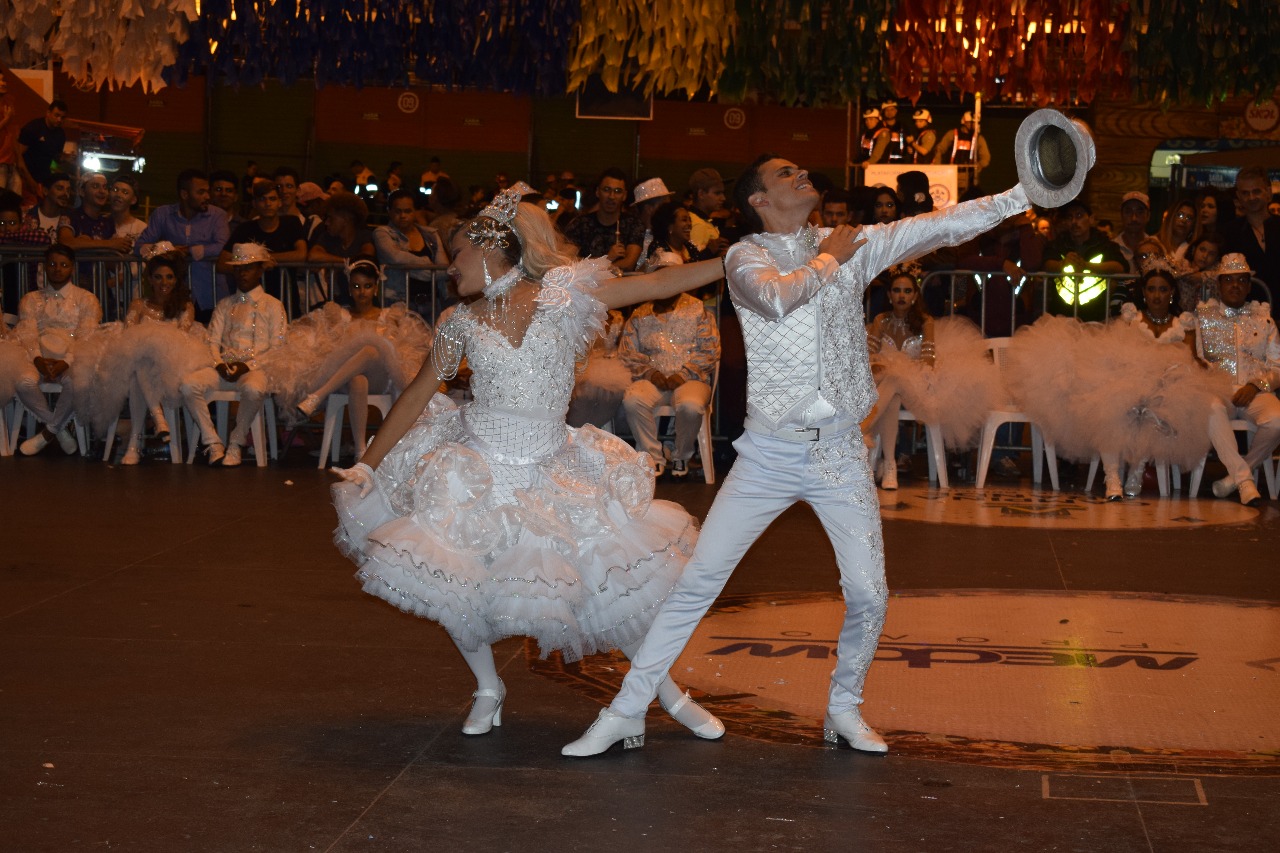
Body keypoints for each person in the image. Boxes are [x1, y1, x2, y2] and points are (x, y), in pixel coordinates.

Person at [563, 153, 1034, 757]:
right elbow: (778, 301)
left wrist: (1022, 194)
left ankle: (843, 708)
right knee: (698, 582)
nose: (801, 175)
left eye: (801, 169)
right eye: (784, 174)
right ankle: (626, 710)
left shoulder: (852, 242)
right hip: (768, 455)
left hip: (838, 450)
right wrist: (833, 257)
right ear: (757, 199)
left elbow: (942, 225)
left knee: (869, 592)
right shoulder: (745, 257)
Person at [330, 183, 729, 741]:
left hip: (552, 463)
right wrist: (368, 465)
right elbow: (420, 392)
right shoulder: (459, 323)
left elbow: (656, 282)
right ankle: (488, 688)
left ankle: (668, 693)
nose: (451, 267)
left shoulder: (563, 296)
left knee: (607, 587)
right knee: (456, 581)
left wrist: (732, 260)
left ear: (494, 248)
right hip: (476, 466)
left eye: (459, 253)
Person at [864, 265, 1001, 489]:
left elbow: (928, 361)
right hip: (890, 388)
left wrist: (900, 368)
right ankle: (890, 464)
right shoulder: (881, 320)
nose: (901, 296)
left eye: (907, 291)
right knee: (893, 389)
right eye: (897, 290)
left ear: (915, 295)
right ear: (889, 295)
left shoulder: (925, 321)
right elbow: (869, 356)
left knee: (896, 379)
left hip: (920, 385)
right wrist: (880, 365)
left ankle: (863, 430)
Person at [282, 259, 433, 460]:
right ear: (349, 288)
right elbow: (330, 349)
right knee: (358, 380)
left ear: (376, 287)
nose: (362, 292)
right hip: (345, 380)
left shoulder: (389, 315)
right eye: (356, 286)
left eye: (367, 286)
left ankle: (318, 395)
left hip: (382, 378)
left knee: (372, 348)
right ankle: (361, 450)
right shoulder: (340, 315)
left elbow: (398, 351)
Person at [180, 243, 287, 466]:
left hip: (257, 368)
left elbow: (277, 347)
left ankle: (237, 442)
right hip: (224, 367)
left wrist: (249, 365)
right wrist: (218, 363)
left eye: (248, 268)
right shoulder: (224, 304)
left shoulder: (273, 305)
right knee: (188, 385)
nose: (242, 273)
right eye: (238, 269)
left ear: (260, 270)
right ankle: (212, 442)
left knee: (254, 388)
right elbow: (212, 340)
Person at [99, 255, 205, 464]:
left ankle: (135, 443)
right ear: (149, 279)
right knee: (141, 365)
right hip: (141, 362)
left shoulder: (185, 305)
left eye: (169, 277)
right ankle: (156, 419)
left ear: (176, 280)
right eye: (158, 277)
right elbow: (130, 333)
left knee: (140, 369)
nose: (164, 283)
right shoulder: (139, 304)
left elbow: (181, 336)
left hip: (174, 363)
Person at [1199, 253, 1280, 506]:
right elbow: (1198, 360)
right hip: (1217, 390)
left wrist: (1256, 385)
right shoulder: (1203, 318)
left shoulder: (1264, 319)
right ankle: (1245, 481)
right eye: (1229, 280)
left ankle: (1233, 478)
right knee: (1211, 409)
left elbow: (1277, 365)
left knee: (1277, 420)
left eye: (1241, 280)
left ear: (1248, 286)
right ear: (1219, 284)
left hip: (1255, 391)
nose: (1235, 285)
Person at [619, 289, 720, 478]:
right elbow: (627, 353)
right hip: (652, 378)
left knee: (691, 406)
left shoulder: (699, 310)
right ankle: (652, 457)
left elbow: (710, 350)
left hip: (691, 378)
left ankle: (682, 455)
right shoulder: (639, 314)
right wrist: (650, 372)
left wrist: (683, 374)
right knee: (633, 400)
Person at [14, 243, 101, 455]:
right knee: (22, 381)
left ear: (72, 268)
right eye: (52, 264)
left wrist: (66, 361)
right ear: (45, 266)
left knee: (77, 380)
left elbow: (86, 335)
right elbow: (27, 332)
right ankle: (59, 429)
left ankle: (48, 432)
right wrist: (37, 359)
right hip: (38, 356)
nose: (57, 269)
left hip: (72, 356)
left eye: (63, 264)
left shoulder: (86, 298)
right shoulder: (30, 299)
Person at [135, 169, 230, 320]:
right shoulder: (162, 214)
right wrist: (168, 249)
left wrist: (189, 251)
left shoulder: (217, 215)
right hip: (173, 296)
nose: (207, 196)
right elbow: (140, 246)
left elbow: (223, 246)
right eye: (201, 192)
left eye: (207, 191)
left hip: (211, 295)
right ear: (185, 194)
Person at [220, 179, 308, 310]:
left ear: (279, 202)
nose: (268, 204)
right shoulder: (245, 229)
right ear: (254, 203)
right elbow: (222, 264)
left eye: (272, 199)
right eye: (262, 199)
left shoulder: (291, 223)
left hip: (287, 300)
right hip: (251, 302)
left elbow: (301, 254)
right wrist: (257, 264)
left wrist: (264, 258)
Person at [1041, 198, 1127, 322]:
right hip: (1061, 317)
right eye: (1070, 217)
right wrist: (1062, 264)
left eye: (1079, 216)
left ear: (1091, 219)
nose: (1074, 222)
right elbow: (1046, 264)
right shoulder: (1059, 243)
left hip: (1096, 317)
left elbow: (1120, 267)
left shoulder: (1103, 243)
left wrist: (1086, 266)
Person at [1223, 166, 1280, 319]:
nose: (1251, 197)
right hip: (1246, 318)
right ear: (1238, 197)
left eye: (1256, 191)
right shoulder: (1230, 232)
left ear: (1268, 193)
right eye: (1245, 193)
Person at [373, 188, 447, 305]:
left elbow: (443, 270)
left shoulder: (431, 234)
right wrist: (430, 266)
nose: (403, 216)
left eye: (408, 211)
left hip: (432, 302)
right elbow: (396, 258)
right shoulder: (382, 233)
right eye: (398, 211)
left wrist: (409, 267)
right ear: (389, 211)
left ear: (415, 212)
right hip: (397, 302)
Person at [563, 168, 644, 272]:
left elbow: (628, 264)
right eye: (606, 190)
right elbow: (569, 261)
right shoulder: (580, 224)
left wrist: (594, 265)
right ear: (597, 192)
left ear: (624, 196)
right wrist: (607, 258)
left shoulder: (634, 224)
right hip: (586, 286)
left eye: (618, 191)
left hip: (621, 285)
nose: (611, 196)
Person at [307, 191, 376, 306]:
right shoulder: (327, 237)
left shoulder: (364, 236)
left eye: (330, 218)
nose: (327, 222)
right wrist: (347, 262)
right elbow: (313, 256)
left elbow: (367, 258)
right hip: (337, 301)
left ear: (345, 218)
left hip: (361, 302)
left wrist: (334, 263)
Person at [16, 99, 68, 192]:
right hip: (25, 177)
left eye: (62, 117)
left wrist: (65, 159)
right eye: (57, 115)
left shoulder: (61, 134)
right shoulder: (33, 128)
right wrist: (30, 181)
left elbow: (56, 159)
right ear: (48, 113)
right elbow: (18, 157)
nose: (59, 120)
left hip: (44, 179)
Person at [631, 177, 674, 270]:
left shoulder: (668, 233)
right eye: (664, 206)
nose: (669, 210)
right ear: (649, 209)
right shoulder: (635, 236)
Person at [687, 168, 729, 258]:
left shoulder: (702, 220)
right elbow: (693, 266)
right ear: (701, 194)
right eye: (717, 193)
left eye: (723, 193)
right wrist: (710, 251)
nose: (723, 198)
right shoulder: (697, 224)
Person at [934, 112, 991, 177]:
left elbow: (986, 157)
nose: (973, 125)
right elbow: (939, 149)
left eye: (975, 123)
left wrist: (978, 167)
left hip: (969, 175)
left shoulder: (978, 138)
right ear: (964, 122)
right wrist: (937, 166)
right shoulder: (953, 134)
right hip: (951, 172)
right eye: (971, 122)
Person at [21, 172, 71, 241]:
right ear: (45, 191)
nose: (66, 194)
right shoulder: (25, 213)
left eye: (68, 190)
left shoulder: (71, 219)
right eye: (60, 188)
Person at [1113, 191, 1153, 273]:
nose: (1134, 218)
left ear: (1148, 216)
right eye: (1128, 212)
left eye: (1140, 212)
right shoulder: (1112, 248)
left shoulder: (1155, 248)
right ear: (1121, 215)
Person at [0, 76, 19, 193]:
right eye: (0, 80)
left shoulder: (9, 101)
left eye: (4, 79)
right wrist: (6, 119)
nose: (3, 83)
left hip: (11, 161)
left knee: (14, 201)